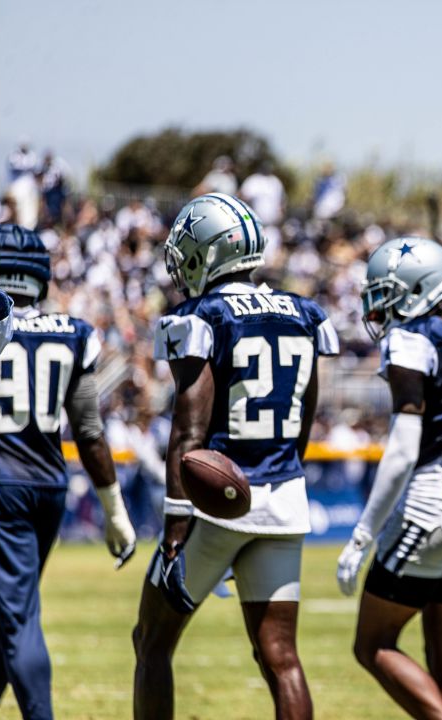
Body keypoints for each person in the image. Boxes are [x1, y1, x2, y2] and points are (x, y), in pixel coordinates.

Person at [131, 193, 339, 720]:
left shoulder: (203, 315)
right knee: (282, 658)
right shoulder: (304, 312)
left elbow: (189, 427)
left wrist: (177, 518)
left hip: (215, 501)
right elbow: (305, 417)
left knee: (151, 641)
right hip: (285, 497)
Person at [0, 224, 137, 719]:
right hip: (46, 488)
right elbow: (89, 431)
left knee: (16, 619)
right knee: (3, 618)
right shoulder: (72, 333)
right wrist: (115, 512)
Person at [335, 237, 442, 720]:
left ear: (419, 288)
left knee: (372, 644)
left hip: (426, 507)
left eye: (390, 292)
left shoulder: (411, 339)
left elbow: (400, 452)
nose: (380, 305)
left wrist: (362, 534)